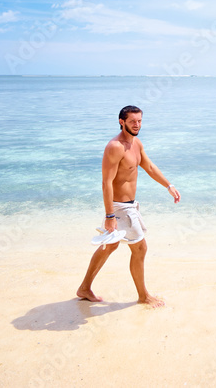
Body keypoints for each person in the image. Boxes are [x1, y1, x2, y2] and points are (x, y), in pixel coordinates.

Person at [76, 105, 180, 306]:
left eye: (139, 121)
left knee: (110, 246)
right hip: (120, 207)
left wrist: (169, 185)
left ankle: (84, 288)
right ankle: (143, 296)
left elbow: (149, 166)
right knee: (140, 249)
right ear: (121, 121)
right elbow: (106, 182)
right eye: (132, 121)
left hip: (129, 205)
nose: (137, 125)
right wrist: (109, 216)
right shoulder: (115, 147)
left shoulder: (136, 143)